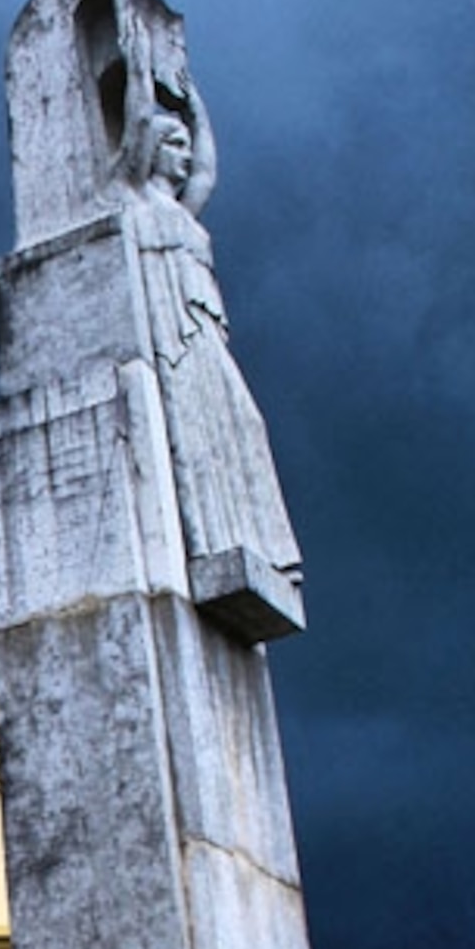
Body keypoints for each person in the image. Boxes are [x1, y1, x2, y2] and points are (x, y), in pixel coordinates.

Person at [115, 75, 302, 575]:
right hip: (177, 340)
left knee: (244, 425)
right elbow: (130, 140)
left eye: (183, 144)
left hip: (204, 333)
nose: (183, 153)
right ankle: (213, 538)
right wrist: (134, 65)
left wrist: (194, 106)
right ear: (149, 151)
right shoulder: (134, 204)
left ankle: (263, 546)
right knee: (198, 436)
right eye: (172, 144)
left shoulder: (183, 213)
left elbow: (207, 173)